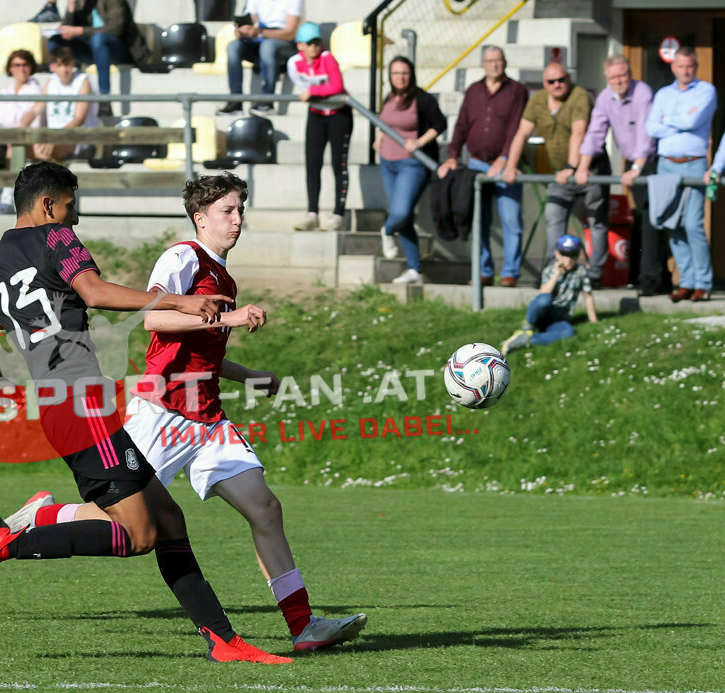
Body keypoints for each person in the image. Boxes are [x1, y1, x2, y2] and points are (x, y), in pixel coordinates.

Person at [0, 161, 293, 665]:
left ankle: (223, 641)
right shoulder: (56, 238)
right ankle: (5, 542)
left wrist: (0, 352)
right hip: (82, 405)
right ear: (47, 206)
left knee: (169, 521)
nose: (73, 218)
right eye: (70, 206)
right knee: (139, 535)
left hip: (62, 406)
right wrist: (181, 302)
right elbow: (97, 294)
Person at [111, 171, 366, 651]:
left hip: (206, 419)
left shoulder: (223, 273)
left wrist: (251, 376)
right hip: (162, 412)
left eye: (240, 210)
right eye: (227, 211)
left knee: (265, 508)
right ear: (200, 217)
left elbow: (203, 353)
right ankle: (17, 530)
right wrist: (229, 315)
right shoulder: (183, 256)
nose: (237, 219)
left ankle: (303, 625)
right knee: (121, 525)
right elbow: (152, 317)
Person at [504, 62, 607, 279]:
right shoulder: (538, 100)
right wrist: (511, 166)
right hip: (561, 171)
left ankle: (595, 274)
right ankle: (555, 270)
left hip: (590, 166)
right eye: (552, 81)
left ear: (569, 80)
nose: (557, 84)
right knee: (553, 215)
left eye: (562, 80)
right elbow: (522, 133)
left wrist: (572, 166)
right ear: (544, 83)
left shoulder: (578, 95)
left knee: (596, 220)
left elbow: (578, 132)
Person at [437, 45, 527, 287]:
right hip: (476, 163)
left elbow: (517, 127)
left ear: (505, 63)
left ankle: (510, 273)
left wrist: (505, 158)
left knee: (511, 221)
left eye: (498, 60)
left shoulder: (517, 91)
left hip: (506, 165)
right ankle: (484, 271)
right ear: (483, 64)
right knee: (479, 220)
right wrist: (453, 155)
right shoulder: (473, 91)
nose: (494, 65)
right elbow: (461, 126)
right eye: (490, 61)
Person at [576, 55, 664, 296]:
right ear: (607, 78)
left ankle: (651, 280)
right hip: (631, 162)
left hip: (651, 161)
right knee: (644, 218)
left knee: (651, 219)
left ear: (630, 74)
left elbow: (647, 136)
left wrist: (636, 168)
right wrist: (582, 167)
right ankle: (649, 276)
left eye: (623, 75)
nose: (619, 81)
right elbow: (595, 133)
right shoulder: (605, 97)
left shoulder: (643, 92)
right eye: (613, 77)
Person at [646, 46, 717, 303]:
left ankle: (703, 283)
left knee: (692, 224)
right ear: (672, 67)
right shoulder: (663, 94)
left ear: (695, 67)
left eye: (690, 66)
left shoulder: (707, 90)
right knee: (672, 225)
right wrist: (678, 121)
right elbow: (651, 127)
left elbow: (693, 122)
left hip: (694, 164)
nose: (685, 71)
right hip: (667, 164)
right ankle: (686, 282)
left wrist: (668, 121)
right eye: (681, 66)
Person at [373, 56, 446, 284]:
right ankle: (414, 269)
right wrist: (378, 138)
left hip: (411, 164)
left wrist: (419, 143)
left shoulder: (421, 99)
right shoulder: (389, 97)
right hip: (387, 162)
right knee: (401, 217)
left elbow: (440, 123)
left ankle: (386, 230)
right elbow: (385, 122)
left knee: (402, 213)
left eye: (404, 73)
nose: (400, 78)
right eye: (396, 73)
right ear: (390, 76)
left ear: (411, 74)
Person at [287, 22, 350, 233]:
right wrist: (316, 93)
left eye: (317, 42)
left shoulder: (328, 58)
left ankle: (338, 214)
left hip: (338, 114)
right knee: (312, 164)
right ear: (300, 46)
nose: (315, 47)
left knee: (338, 165)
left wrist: (314, 91)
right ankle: (312, 212)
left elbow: (337, 86)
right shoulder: (294, 63)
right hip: (316, 115)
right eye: (310, 43)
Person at [47, 0, 149, 117]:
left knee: (99, 39)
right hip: (93, 50)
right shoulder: (79, 2)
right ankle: (55, 88)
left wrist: (80, 31)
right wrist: (71, 9)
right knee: (55, 40)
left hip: (119, 49)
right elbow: (66, 31)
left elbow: (116, 29)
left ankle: (104, 98)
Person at [500, 233, 597, 355]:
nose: (568, 259)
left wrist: (594, 322)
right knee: (544, 299)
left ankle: (528, 339)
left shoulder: (581, 272)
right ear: (557, 254)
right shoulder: (550, 270)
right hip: (542, 314)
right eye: (565, 255)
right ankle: (528, 327)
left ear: (578, 255)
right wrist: (557, 274)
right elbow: (543, 294)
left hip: (558, 319)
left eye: (573, 255)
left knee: (569, 332)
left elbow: (588, 296)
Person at [0, 49, 45, 214]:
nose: (21, 69)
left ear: (31, 67)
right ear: (10, 68)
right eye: (17, 65)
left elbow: (35, 124)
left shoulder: (37, 92)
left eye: (25, 64)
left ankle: (8, 197)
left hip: (24, 140)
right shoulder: (2, 93)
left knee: (14, 144)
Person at [217, 0, 301, 115]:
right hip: (260, 42)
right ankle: (235, 101)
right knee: (233, 46)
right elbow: (251, 21)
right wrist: (243, 31)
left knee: (268, 46)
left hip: (285, 46)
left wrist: (260, 32)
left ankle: (267, 100)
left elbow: (289, 33)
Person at [19, 45, 99, 162]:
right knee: (17, 148)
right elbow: (35, 110)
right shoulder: (51, 82)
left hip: (77, 139)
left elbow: (79, 119)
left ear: (73, 64)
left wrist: (56, 137)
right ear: (52, 67)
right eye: (60, 65)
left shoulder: (83, 81)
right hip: (53, 137)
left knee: (43, 152)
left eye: (67, 65)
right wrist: (20, 130)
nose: (64, 70)